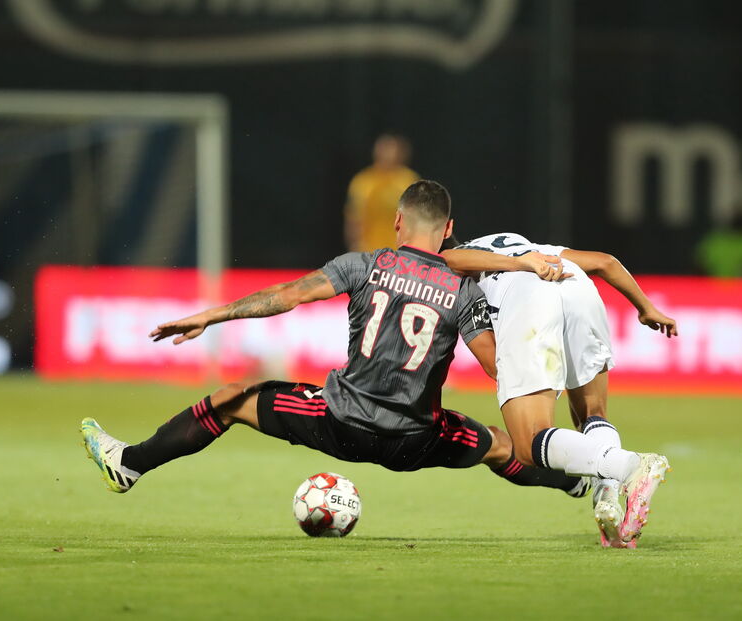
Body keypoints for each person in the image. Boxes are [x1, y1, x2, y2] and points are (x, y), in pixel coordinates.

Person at [80, 182, 592, 509]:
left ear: (397, 221)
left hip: (340, 422)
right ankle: (577, 481)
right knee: (501, 445)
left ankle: (130, 463)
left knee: (232, 399)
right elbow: (495, 366)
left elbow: (286, 297)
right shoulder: (464, 289)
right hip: (414, 439)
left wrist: (212, 315)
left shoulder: (363, 265)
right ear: (450, 230)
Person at [443, 233, 678, 548]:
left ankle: (633, 466)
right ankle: (606, 496)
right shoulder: (518, 242)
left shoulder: (452, 264)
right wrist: (645, 308)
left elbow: (447, 261)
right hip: (576, 285)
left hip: (528, 297)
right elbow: (604, 262)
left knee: (527, 444)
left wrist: (519, 371)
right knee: (592, 413)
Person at [344, 134, 419, 253]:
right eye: (384, 150)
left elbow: (418, 219)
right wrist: (356, 246)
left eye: (391, 150)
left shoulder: (409, 181)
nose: (387, 155)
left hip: (401, 254)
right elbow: (354, 219)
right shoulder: (363, 181)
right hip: (370, 253)